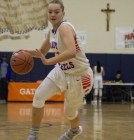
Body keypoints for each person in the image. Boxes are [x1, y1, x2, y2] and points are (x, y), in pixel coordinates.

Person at [26, 1, 93, 140]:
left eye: (56, 12)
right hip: (62, 71)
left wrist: (48, 61)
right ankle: (33, 135)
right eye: (50, 12)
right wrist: (23, 53)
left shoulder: (65, 28)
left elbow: (71, 52)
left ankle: (74, 131)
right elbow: (42, 51)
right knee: (38, 96)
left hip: (80, 76)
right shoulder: (51, 32)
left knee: (69, 113)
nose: (53, 14)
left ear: (63, 13)